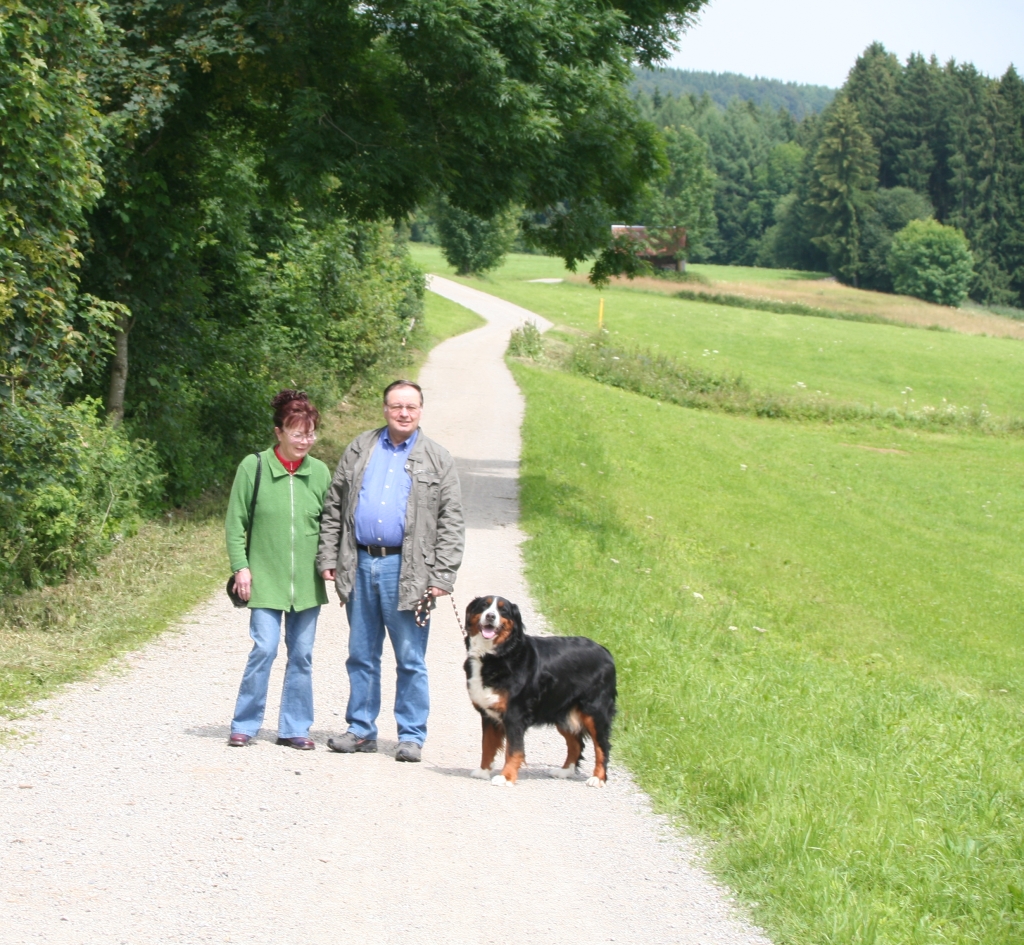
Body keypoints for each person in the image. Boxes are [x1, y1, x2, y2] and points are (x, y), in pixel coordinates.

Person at [317, 379, 464, 762]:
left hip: (409, 570)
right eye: (396, 406)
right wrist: (328, 557)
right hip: (360, 562)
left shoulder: (437, 458)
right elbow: (334, 506)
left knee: (410, 658)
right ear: (384, 409)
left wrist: (442, 576)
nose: (403, 413)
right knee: (361, 653)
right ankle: (360, 730)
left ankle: (411, 736)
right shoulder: (360, 448)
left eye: (411, 407)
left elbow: (451, 521)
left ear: (420, 411)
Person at [225, 390, 332, 750]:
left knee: (302, 656)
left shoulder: (320, 472)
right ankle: (244, 724)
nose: (304, 441)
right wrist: (241, 567)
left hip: (307, 584)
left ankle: (294, 728)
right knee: (264, 650)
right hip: (265, 580)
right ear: (279, 432)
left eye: (310, 434)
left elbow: (331, 525)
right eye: (297, 433)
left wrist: (331, 564)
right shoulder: (252, 466)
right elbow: (235, 523)